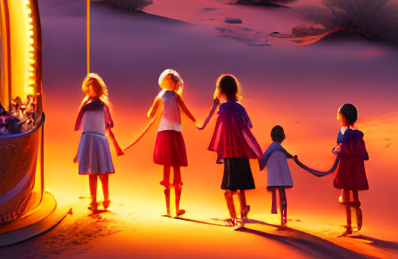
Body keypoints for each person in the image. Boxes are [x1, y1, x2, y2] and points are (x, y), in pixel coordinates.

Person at [196, 73, 263, 225]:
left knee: (228, 187)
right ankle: (243, 213)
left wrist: (218, 150)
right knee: (241, 187)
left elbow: (219, 129)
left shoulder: (223, 108)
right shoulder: (240, 107)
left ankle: (233, 218)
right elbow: (249, 124)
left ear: (221, 90)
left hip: (229, 153)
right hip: (241, 152)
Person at [122, 68, 190, 218]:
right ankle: (170, 209)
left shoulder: (170, 96)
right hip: (168, 131)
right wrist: (157, 112)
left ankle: (174, 209)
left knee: (174, 167)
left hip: (172, 131)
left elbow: (184, 110)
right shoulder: (164, 95)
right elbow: (152, 113)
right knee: (169, 167)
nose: (170, 82)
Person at [298, 103, 370, 236]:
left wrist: (336, 150)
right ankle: (356, 215)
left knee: (347, 196)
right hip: (354, 167)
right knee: (353, 194)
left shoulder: (344, 132)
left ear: (344, 116)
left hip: (346, 166)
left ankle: (349, 225)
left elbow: (339, 147)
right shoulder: (356, 134)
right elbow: (359, 153)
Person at [73, 72, 122, 212]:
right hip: (88, 138)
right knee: (92, 173)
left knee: (103, 172)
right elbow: (79, 124)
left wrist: (107, 123)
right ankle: (93, 200)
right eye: (89, 86)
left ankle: (106, 198)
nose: (91, 89)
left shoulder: (102, 105)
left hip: (100, 139)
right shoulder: (86, 104)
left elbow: (110, 123)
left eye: (93, 86)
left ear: (98, 87)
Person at [258, 125, 295, 226]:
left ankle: (283, 218)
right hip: (279, 177)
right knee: (282, 196)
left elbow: (264, 158)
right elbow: (285, 154)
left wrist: (261, 165)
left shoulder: (274, 147)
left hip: (277, 177)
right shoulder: (276, 147)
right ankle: (284, 218)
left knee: (282, 196)